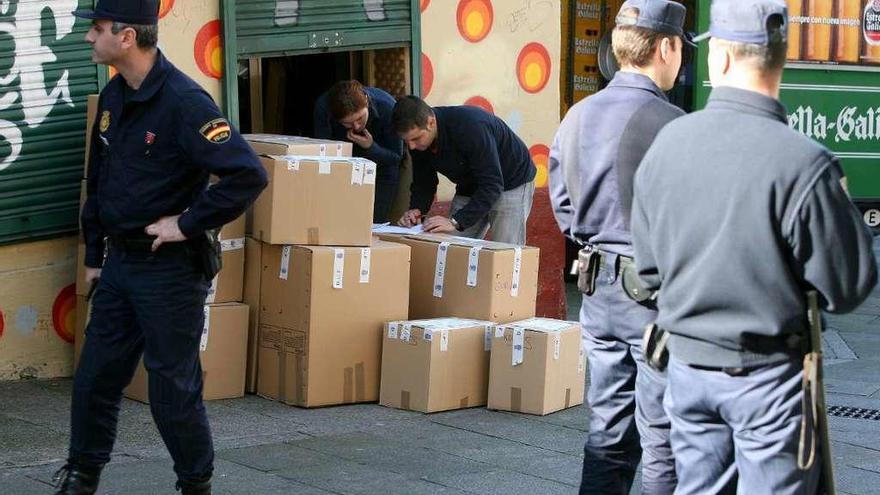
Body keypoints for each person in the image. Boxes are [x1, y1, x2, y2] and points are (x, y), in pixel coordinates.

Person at [630, 1, 878, 493]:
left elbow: (648, 271)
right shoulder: (806, 163)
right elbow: (848, 288)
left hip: (688, 368)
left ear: (719, 58)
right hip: (769, 378)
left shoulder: (668, 144)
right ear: (780, 61)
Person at [57, 1, 267, 494]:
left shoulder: (185, 102)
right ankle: (81, 477)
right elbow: (100, 181)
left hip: (169, 270)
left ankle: (195, 484)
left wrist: (188, 223)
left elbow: (247, 174)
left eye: (98, 28)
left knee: (172, 388)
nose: (90, 38)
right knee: (94, 380)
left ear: (127, 37)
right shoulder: (113, 96)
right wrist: (92, 258)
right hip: (120, 265)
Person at [548, 1, 689, 493]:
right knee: (662, 438)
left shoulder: (577, 115)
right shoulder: (669, 121)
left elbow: (561, 205)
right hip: (652, 295)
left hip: (598, 291)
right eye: (680, 49)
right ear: (666, 47)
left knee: (607, 432)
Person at [393, 96, 536, 245]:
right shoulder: (417, 144)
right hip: (469, 186)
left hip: (511, 181)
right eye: (406, 141)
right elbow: (423, 182)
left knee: (505, 251)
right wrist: (417, 210)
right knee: (449, 247)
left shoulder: (470, 126)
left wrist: (456, 221)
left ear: (431, 122)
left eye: (416, 139)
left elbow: (492, 184)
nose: (411, 147)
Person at [313, 80, 404, 223]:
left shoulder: (387, 107)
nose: (356, 126)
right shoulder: (324, 107)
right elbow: (323, 152)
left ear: (366, 101)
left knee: (374, 223)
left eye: (360, 118)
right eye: (348, 123)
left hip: (382, 167)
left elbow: (396, 157)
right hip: (342, 167)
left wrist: (371, 147)